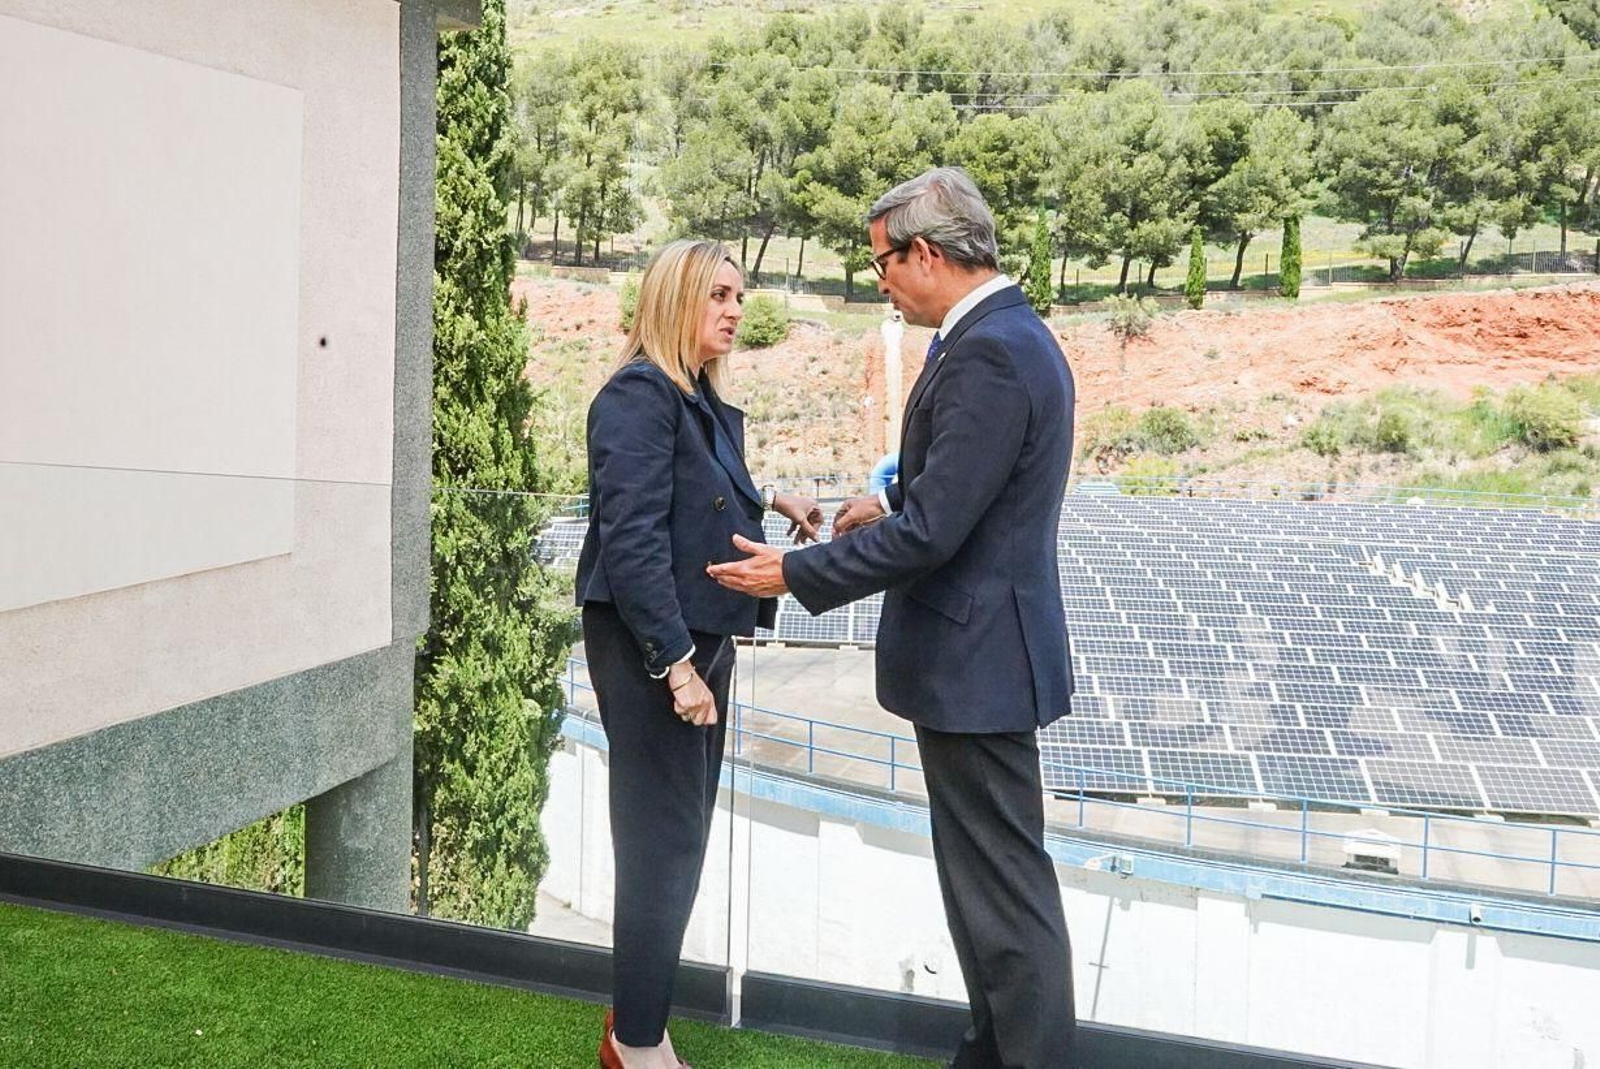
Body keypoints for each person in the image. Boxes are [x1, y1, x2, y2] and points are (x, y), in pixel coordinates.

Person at [708, 168, 1079, 1069]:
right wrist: (894, 498)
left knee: (1005, 903)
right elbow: (964, 487)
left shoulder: (991, 351)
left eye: (881, 263)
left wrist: (794, 571)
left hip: (980, 664)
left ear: (925, 253)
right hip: (979, 662)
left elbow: (937, 533)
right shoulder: (1003, 335)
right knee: (984, 894)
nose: (880, 282)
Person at [576, 239, 822, 1069]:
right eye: (718, 294)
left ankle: (640, 1024)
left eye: (739, 296)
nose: (735, 310)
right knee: (660, 842)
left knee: (676, 839)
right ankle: (635, 1042)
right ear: (676, 297)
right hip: (657, 649)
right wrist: (677, 665)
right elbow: (632, 540)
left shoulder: (692, 396)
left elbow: (701, 486)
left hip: (696, 643)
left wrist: (774, 496)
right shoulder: (637, 394)